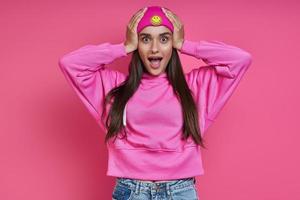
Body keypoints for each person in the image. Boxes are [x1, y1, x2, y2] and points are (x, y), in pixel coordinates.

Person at [58, 5, 252, 200]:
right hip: (132, 190)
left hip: (181, 191)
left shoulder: (195, 87)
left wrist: (184, 44)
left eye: (164, 39)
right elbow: (70, 64)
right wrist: (124, 47)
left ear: (173, 44)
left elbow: (240, 59)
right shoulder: (115, 88)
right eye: (145, 39)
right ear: (137, 44)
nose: (154, 48)